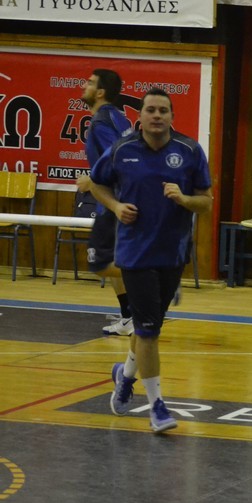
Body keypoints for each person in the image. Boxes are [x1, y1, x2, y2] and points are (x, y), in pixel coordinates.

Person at [90, 87, 213, 433]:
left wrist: (183, 199)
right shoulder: (122, 149)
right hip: (135, 254)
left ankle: (125, 375)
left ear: (172, 116)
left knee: (150, 328)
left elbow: (206, 202)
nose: (157, 115)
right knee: (147, 332)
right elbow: (95, 183)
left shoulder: (189, 151)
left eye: (163, 110)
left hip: (172, 254)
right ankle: (157, 407)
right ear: (140, 116)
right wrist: (116, 206)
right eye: (151, 110)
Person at [76, 69, 135, 336]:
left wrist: (91, 180)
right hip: (117, 199)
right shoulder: (117, 117)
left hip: (114, 201)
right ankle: (129, 316)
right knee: (111, 261)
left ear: (100, 92)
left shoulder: (101, 123)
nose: (84, 85)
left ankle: (151, 280)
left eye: (89, 83)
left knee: (100, 263)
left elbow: (119, 156)